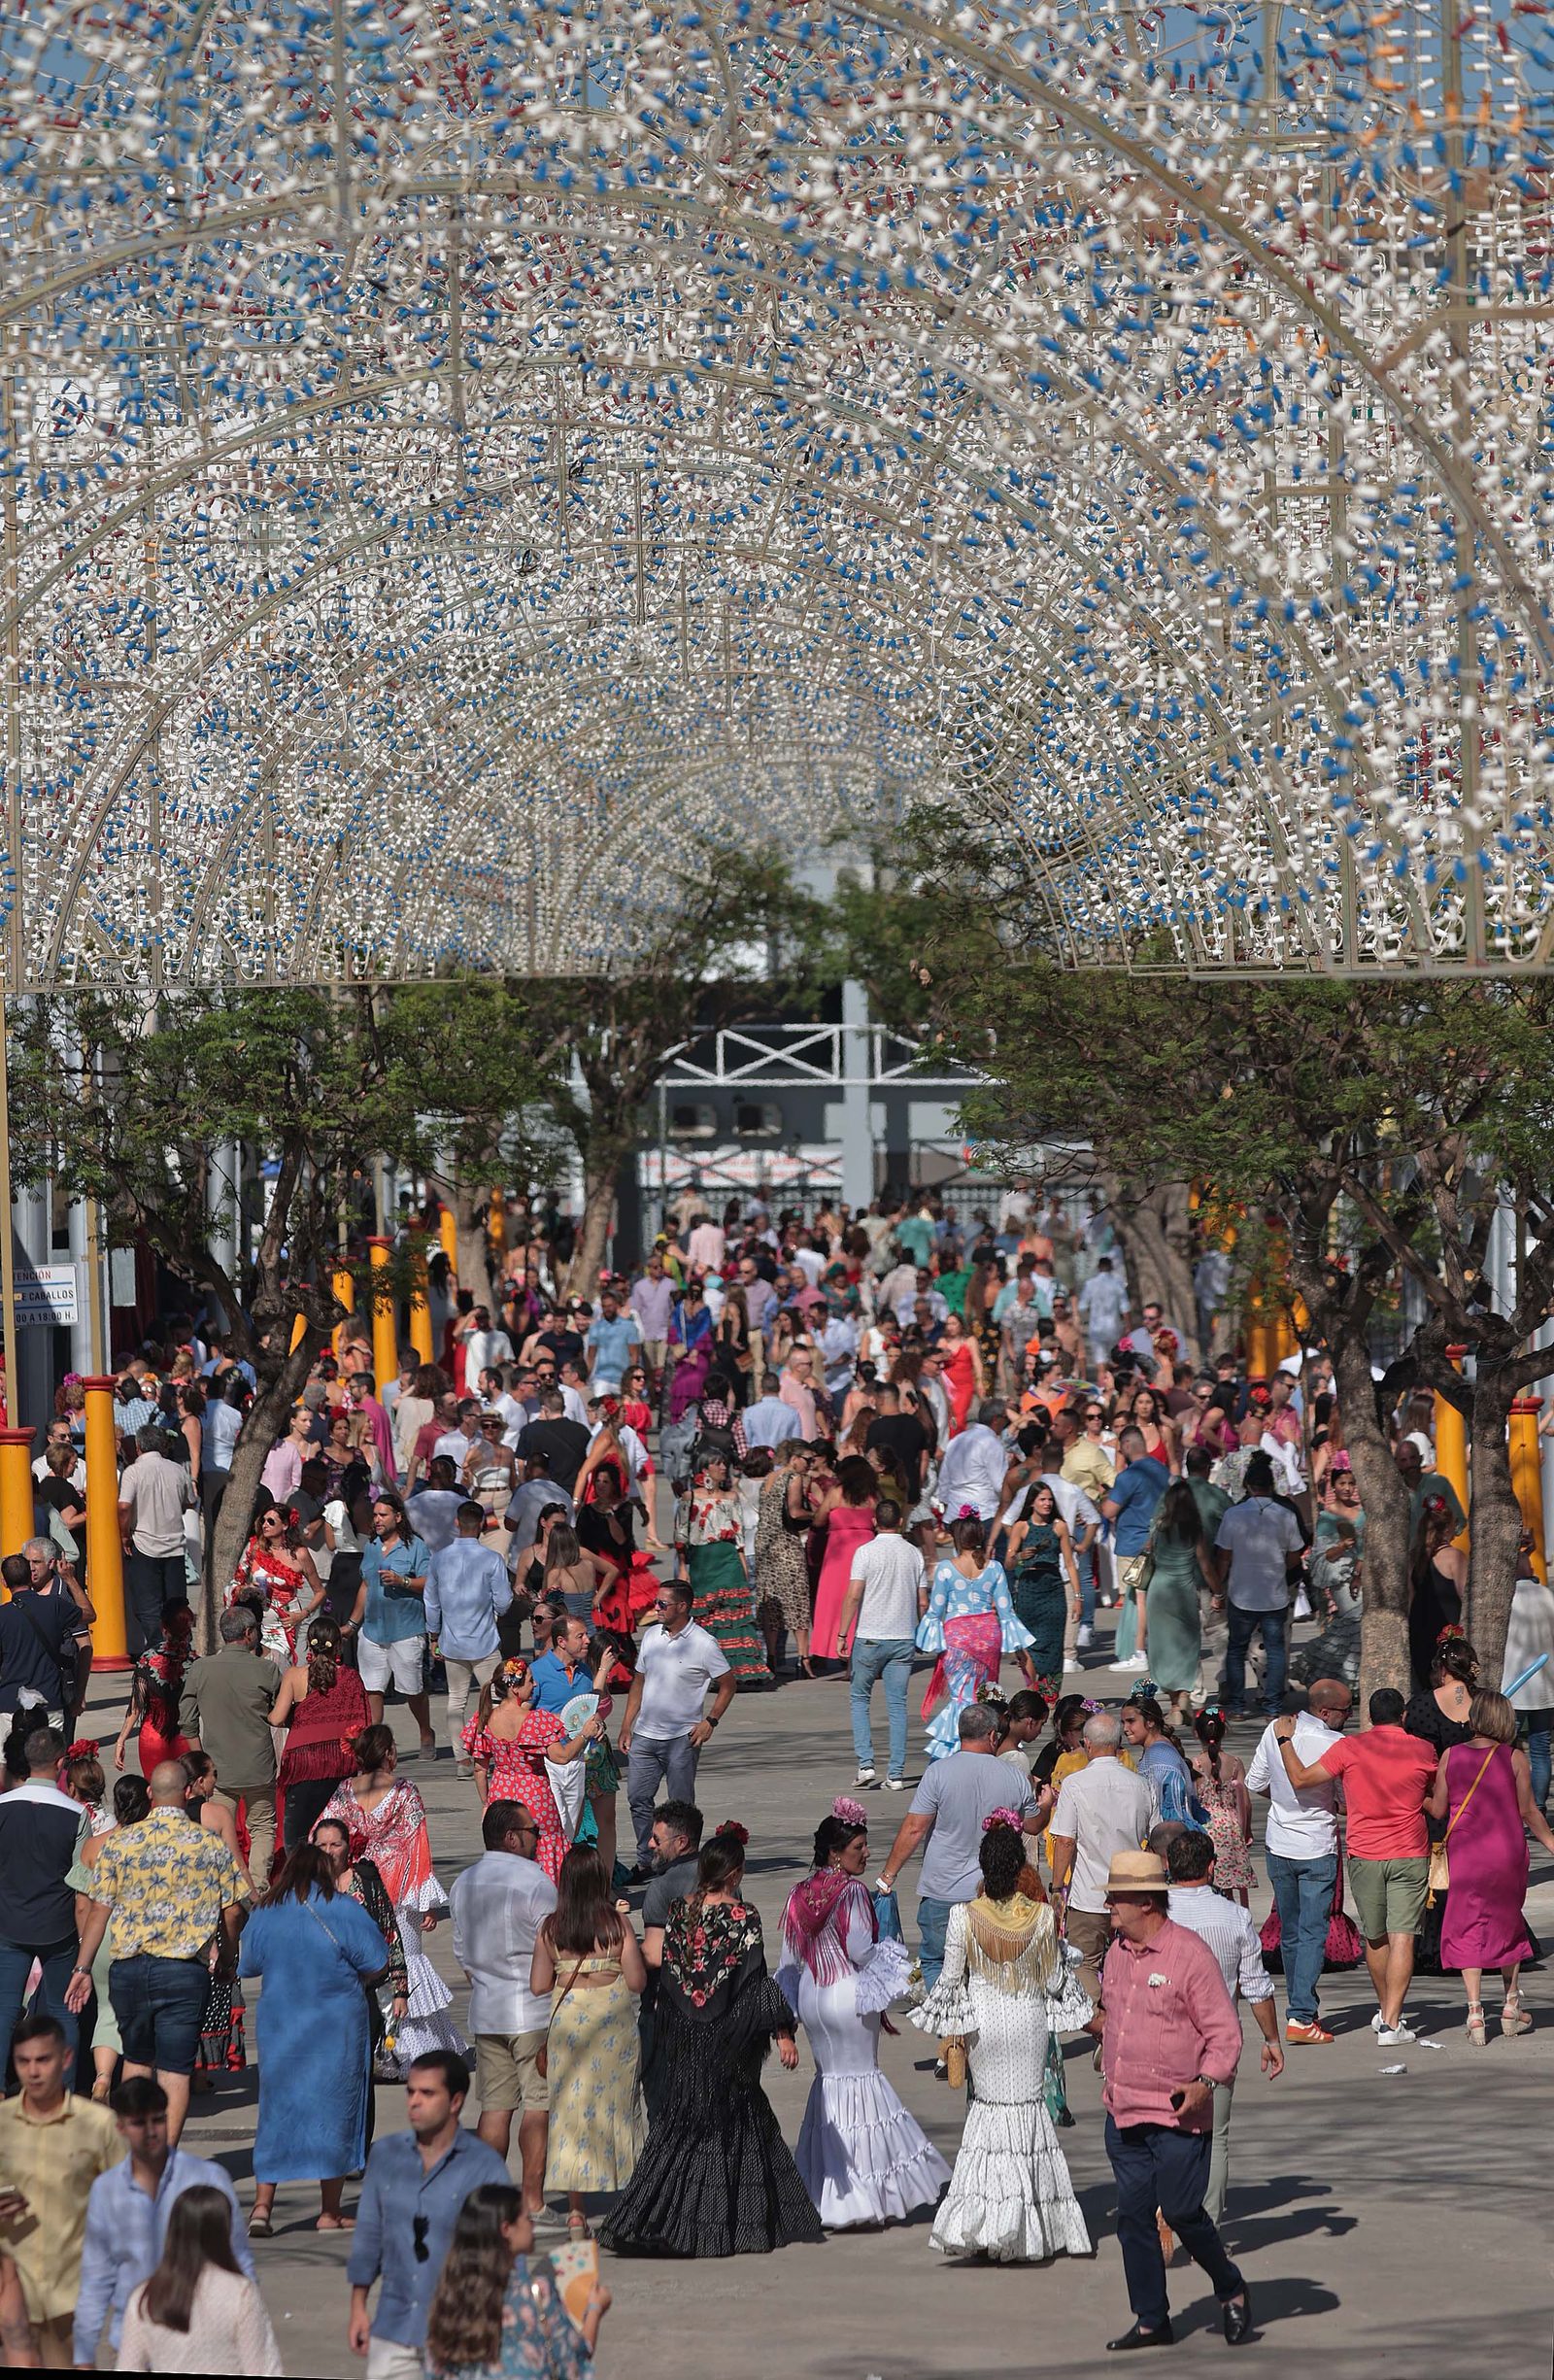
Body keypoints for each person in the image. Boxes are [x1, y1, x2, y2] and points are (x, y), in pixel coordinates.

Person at [599, 1825, 823, 2258]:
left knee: (683, 2118)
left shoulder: (680, 1912)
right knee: (734, 2116)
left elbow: (671, 1972)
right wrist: (781, 2031)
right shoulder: (745, 1916)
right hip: (728, 2033)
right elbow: (754, 1979)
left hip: (683, 2029)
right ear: (735, 1875)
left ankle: (659, 2212)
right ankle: (725, 2219)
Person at [910, 1815, 1092, 2261]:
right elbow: (1051, 1983)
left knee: (988, 2115)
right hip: (1027, 2018)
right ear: (1017, 1868)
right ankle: (1029, 2225)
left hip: (984, 2024)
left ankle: (987, 2222)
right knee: (1028, 2114)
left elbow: (951, 1982)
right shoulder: (1043, 1917)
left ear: (982, 1866)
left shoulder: (963, 1917)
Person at [1097, 1850, 1251, 2352]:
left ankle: (1229, 2286)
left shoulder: (1189, 1955)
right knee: (1132, 2217)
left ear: (1146, 1901)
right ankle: (1151, 2319)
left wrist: (1205, 2083)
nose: (1109, 1906)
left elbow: (1225, 2034)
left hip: (1178, 2114)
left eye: (1116, 1897)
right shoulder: (1117, 1952)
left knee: (1183, 2213)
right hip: (1124, 2111)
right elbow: (1115, 2018)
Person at [777, 1800, 946, 2228]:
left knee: (831, 2087)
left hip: (814, 1997)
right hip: (846, 1994)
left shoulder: (800, 1892)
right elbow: (858, 1950)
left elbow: (789, 1961)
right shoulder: (851, 1892)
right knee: (862, 2084)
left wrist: (790, 2016)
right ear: (836, 1853)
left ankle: (827, 2193)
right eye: (859, 1847)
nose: (867, 1854)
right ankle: (863, 2194)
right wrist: (888, 1957)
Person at [67, 1758, 249, 2147]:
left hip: (129, 1968)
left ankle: (134, 2152)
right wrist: (227, 1957)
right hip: (184, 1971)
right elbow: (234, 1910)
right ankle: (163, 2155)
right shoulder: (208, 1844)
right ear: (188, 1793)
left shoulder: (120, 1843)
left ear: (150, 1794)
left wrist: (83, 1966)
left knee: (136, 2059)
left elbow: (98, 1909)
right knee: (175, 2070)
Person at [238, 1841, 391, 2236]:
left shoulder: (267, 1912)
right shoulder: (344, 1909)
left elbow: (249, 1963)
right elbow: (377, 1960)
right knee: (337, 2112)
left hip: (281, 2028)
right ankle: (329, 2211)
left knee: (275, 2111)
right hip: (335, 2027)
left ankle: (261, 2207)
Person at [1274, 1687, 1438, 2044]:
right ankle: (1392, 2021)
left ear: (1369, 1717)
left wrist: (1285, 1740)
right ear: (1404, 1717)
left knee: (1375, 1937)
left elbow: (1300, 1779)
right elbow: (1438, 1803)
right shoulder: (1424, 1750)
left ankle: (1388, 2013)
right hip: (1409, 1852)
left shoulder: (1350, 1748)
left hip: (1365, 1854)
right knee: (1403, 1937)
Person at [347, 2051, 513, 2380]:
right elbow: (369, 2235)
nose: (414, 2102)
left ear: (455, 2101)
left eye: (427, 2093)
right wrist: (357, 2308)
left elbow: (505, 2253)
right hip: (394, 2327)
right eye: (410, 2092)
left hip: (462, 2333)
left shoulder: (483, 2166)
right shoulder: (386, 2154)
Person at [73, 2077, 255, 2370]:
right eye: (138, 2123)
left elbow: (239, 2262)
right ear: (120, 2127)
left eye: (158, 2120)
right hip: (132, 2344)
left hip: (203, 2342)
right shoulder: (106, 2190)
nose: (150, 2132)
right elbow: (96, 2278)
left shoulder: (208, 2177)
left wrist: (250, 2332)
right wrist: (83, 2355)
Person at [318, 1726, 467, 2071]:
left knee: (363, 1962)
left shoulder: (344, 1790)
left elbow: (320, 1832)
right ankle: (409, 2048)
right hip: (398, 1885)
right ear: (388, 1755)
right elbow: (418, 1845)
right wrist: (425, 1900)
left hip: (356, 1886)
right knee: (407, 1959)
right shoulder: (405, 1792)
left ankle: (369, 2045)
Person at [874, 1702, 1045, 1990]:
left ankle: (951, 2027)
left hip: (943, 1889)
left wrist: (888, 1874)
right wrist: (1047, 1806)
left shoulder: (939, 1773)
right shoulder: (1014, 1776)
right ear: (993, 1736)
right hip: (995, 1891)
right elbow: (1033, 1825)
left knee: (937, 1962)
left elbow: (915, 1827)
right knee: (989, 1966)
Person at [1163, 1830, 1283, 2228]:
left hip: (1161, 2039)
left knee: (1159, 2131)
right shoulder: (1235, 1917)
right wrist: (1271, 2039)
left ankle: (1163, 2206)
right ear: (1212, 1867)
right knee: (1215, 2138)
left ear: (1168, 1866)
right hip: (1217, 2043)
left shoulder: (1157, 1915)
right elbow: (1256, 1986)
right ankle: (1206, 2224)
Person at [1425, 1688, 1554, 2042]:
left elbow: (1437, 1810)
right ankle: (1511, 2006)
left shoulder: (1450, 1756)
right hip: (1506, 1854)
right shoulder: (1515, 1759)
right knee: (1507, 1923)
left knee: (1466, 1925)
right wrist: (1551, 1843)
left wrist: (1413, 1793)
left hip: (1466, 1853)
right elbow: (1528, 1811)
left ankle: (1475, 2013)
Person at [530, 1845, 646, 2227]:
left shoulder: (550, 1928)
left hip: (568, 2022)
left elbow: (537, 1985)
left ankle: (576, 2210)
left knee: (569, 2110)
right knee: (618, 2107)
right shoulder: (617, 1925)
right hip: (611, 2020)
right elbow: (636, 1981)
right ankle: (628, 2189)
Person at [450, 1800, 557, 2212]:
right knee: (537, 2105)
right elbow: (554, 1946)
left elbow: (461, 1953)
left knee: (493, 2110)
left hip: (487, 2009)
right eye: (533, 1832)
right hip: (531, 2011)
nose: (537, 1839)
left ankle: (488, 2202)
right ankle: (532, 2200)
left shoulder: (464, 1882)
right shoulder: (535, 1881)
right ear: (512, 1837)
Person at [0, 2011, 122, 2363]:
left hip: (70, 2293)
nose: (33, 2071)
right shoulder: (3, 2124)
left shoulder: (98, 2125)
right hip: (9, 2290)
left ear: (66, 2058)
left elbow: (129, 2204)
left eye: (43, 2060)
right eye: (23, 2062)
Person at [1245, 1677, 1352, 2044]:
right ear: (1325, 1711)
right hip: (1317, 1847)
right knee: (1311, 1933)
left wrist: (1284, 1801)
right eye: (1346, 1711)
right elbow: (1344, 1800)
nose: (1349, 1717)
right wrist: (1324, 1805)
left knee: (1291, 1933)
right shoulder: (1335, 1743)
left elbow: (1254, 1781)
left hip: (1279, 1842)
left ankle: (1301, 2006)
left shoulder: (1276, 1730)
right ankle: (1302, 2014)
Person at [423, 2183, 609, 2380]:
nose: (533, 2225)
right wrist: (595, 2309)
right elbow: (574, 2363)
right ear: (506, 2229)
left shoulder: (450, 2294)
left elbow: (433, 2368)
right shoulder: (535, 2294)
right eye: (526, 2218)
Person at [618, 1580, 735, 1877]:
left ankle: (681, 1864)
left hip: (682, 1739)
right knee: (637, 1799)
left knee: (681, 1808)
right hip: (645, 1736)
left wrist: (710, 1721)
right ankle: (647, 1859)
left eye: (662, 1604)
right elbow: (639, 1681)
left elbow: (728, 1684)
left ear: (682, 1607)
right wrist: (626, 1725)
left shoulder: (703, 1643)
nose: (655, 1608)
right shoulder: (651, 1637)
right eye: (655, 1602)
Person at [0, 1723, 88, 2089]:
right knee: (64, 2011)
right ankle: (63, 2091)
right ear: (60, 1762)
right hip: (59, 1926)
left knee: (4, 2011)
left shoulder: (2, 1807)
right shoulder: (75, 1813)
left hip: (8, 1922)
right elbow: (82, 1883)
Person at [1048, 1711, 1158, 2004]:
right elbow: (1156, 1838)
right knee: (1132, 1960)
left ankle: (1104, 2020)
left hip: (1088, 1895)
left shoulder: (1075, 1784)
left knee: (1083, 1962)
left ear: (1087, 1744)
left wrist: (1057, 1887)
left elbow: (1065, 1842)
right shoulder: (1141, 1784)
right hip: (1133, 1892)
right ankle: (1124, 2017)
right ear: (1118, 1743)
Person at [117, 2181, 283, 2374]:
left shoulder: (145, 2296)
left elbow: (128, 2366)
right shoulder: (241, 2293)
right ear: (225, 2230)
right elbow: (263, 2369)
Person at [461, 1657, 599, 1882]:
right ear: (515, 1688)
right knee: (545, 1848)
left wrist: (487, 1803)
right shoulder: (534, 1721)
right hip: (535, 1796)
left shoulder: (484, 1718)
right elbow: (562, 1757)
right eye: (530, 1680)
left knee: (505, 1854)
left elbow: (479, 1769)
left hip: (500, 1794)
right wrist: (585, 1734)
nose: (534, 1685)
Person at [178, 1607, 283, 1890]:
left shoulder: (201, 1669)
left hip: (217, 1770)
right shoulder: (266, 1669)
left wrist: (201, 1761)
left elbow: (187, 1720)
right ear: (249, 1634)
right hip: (258, 1767)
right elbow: (279, 1714)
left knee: (218, 1830)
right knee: (261, 1828)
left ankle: (227, 1889)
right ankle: (257, 1887)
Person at [917, 1513, 1035, 1762]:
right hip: (988, 1637)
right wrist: (1018, 1648)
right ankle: (985, 1751)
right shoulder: (994, 1568)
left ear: (957, 1538)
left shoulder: (946, 1569)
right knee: (985, 1696)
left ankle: (953, 1757)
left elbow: (936, 1610)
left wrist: (930, 1640)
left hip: (958, 1637)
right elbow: (1006, 1610)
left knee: (962, 1697)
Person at [312, 1817, 409, 2103]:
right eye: (322, 1845)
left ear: (347, 1848)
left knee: (360, 2070)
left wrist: (400, 1990)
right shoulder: (306, 1889)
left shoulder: (366, 1882)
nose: (329, 1851)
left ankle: (360, 2138)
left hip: (363, 1993)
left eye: (336, 1844)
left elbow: (390, 1934)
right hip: (320, 1995)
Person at [837, 1495, 926, 1789]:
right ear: (900, 1522)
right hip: (903, 1637)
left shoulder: (865, 1552)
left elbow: (853, 1594)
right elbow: (922, 1600)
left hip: (870, 1636)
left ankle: (866, 1765)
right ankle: (897, 1774)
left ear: (875, 1522)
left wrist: (842, 1633)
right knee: (898, 1706)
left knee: (860, 1698)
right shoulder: (914, 1554)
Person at [267, 1612, 369, 1853]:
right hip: (340, 1763)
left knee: (298, 1838)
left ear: (308, 1645)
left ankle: (301, 1883)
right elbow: (363, 1723)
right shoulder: (351, 1678)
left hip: (303, 1763)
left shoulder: (294, 1675)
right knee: (338, 1832)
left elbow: (276, 1718)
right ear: (338, 1646)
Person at [426, 1501, 515, 1773]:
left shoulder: (439, 1558)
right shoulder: (491, 1559)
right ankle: (499, 1753)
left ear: (457, 1523)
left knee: (457, 1700)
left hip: (452, 1642)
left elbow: (431, 1601)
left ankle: (462, 1758)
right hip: (485, 1641)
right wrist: (495, 1611)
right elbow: (504, 1601)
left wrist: (434, 1634)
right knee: (499, 1699)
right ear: (482, 1526)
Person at [1213, 1452, 1303, 1718]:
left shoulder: (1233, 1514)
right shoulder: (1285, 1514)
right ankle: (1273, 1705)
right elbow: (1295, 1555)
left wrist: (1219, 1587)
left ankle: (1238, 1705)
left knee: (1236, 1649)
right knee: (1275, 1650)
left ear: (1248, 1486)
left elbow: (1224, 1555)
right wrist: (1277, 1568)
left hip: (1241, 1593)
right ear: (1271, 1485)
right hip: (1274, 1594)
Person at [348, 1491, 436, 1759]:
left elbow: (429, 1583)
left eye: (382, 1515)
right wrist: (352, 1623)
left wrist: (402, 1581)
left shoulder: (416, 1547)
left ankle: (425, 1732)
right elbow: (365, 1584)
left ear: (398, 1517)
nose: (376, 1519)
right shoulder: (372, 1546)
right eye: (374, 1515)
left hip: (406, 1630)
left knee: (412, 1689)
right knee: (372, 1688)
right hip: (373, 1631)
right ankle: (376, 1744)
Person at [675, 1453, 773, 1684]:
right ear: (704, 1468)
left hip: (728, 1559)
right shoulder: (689, 1497)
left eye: (723, 1463)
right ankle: (707, 1670)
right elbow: (681, 1536)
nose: (722, 1467)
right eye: (717, 1463)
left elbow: (739, 1537)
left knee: (732, 1614)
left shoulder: (732, 1497)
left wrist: (742, 1567)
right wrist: (682, 1568)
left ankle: (738, 1671)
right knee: (705, 1614)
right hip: (702, 1560)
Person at [117, 1425, 197, 1658]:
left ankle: (157, 1650)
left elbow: (123, 1505)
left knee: (148, 1607)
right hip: (173, 1547)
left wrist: (124, 1534)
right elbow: (189, 1501)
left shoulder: (133, 1471)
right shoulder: (177, 1470)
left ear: (139, 1446)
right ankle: (177, 1648)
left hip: (143, 1544)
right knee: (176, 1605)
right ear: (162, 1445)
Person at [1141, 1479, 1214, 1721]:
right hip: (1183, 1591)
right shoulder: (1195, 1530)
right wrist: (1219, 1591)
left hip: (1159, 1591)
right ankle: (1182, 1697)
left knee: (1163, 1649)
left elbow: (1148, 1551)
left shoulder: (1159, 1527)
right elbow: (1205, 1565)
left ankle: (1174, 1705)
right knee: (1187, 1647)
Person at [1101, 1426, 1171, 1671]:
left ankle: (1138, 1652)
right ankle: (1146, 1650)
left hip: (1134, 1545)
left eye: (1121, 1448)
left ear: (1128, 1446)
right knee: (1151, 1600)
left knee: (1137, 1600)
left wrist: (1104, 1498)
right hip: (1161, 1543)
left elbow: (1109, 1510)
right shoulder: (1162, 1471)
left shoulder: (1128, 1476)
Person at [1002, 1480, 1080, 1690]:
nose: (1047, 1503)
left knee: (1054, 1645)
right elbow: (1008, 1563)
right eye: (1042, 1499)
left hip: (1053, 1590)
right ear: (1032, 1503)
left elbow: (1070, 1565)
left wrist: (1078, 1598)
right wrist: (1019, 1556)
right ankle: (1032, 1690)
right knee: (1028, 1644)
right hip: (1028, 1591)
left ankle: (1050, 1694)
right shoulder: (1021, 1527)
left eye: (1050, 1500)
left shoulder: (1059, 1527)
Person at [227, 1502, 322, 1666]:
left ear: (285, 1525)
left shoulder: (300, 1554)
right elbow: (236, 1581)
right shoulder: (254, 1549)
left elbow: (320, 1592)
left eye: (271, 1521)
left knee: (276, 1665)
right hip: (255, 1619)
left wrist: (303, 1614)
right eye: (263, 1521)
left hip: (285, 1621)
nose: (265, 1525)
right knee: (255, 1664)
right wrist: (245, 1589)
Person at [754, 1439, 818, 1677]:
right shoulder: (794, 1477)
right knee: (797, 1601)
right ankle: (804, 1658)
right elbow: (794, 1511)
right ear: (794, 1457)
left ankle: (770, 1657)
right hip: (785, 1543)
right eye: (807, 1459)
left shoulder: (769, 1478)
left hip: (764, 1544)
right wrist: (818, 1514)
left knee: (771, 1602)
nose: (810, 1464)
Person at [809, 1453, 878, 1667]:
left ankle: (833, 1647)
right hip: (866, 1547)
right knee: (863, 1601)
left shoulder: (837, 1493)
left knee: (834, 1601)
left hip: (838, 1552)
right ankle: (861, 1650)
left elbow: (819, 1520)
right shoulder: (873, 1496)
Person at [113, 1606, 195, 1779]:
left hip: (153, 1735)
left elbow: (136, 1706)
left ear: (164, 1630)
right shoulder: (196, 1662)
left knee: (155, 1790)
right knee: (186, 1792)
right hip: (186, 1736)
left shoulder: (147, 1659)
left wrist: (121, 1740)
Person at [1503, 1542, 1554, 1812]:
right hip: (1545, 1687)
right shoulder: (1547, 1595)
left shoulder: (1505, 1597)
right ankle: (1538, 1805)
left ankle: (1515, 1804)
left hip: (1512, 1687)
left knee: (1508, 1750)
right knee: (1541, 1749)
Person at [1190, 1704, 1254, 1903]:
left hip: (1206, 1827)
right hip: (1232, 1828)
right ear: (1224, 1730)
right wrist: (1247, 1830)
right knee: (1232, 1881)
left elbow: (1192, 1799)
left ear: (1195, 1733)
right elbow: (1246, 1802)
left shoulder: (1196, 1764)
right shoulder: (1235, 1763)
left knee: (1209, 1879)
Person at [1121, 1693, 1200, 1828]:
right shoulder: (1155, 1750)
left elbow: (1173, 1809)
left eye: (1131, 1721)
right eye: (1123, 1723)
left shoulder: (1160, 1756)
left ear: (1150, 1721)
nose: (1125, 1729)